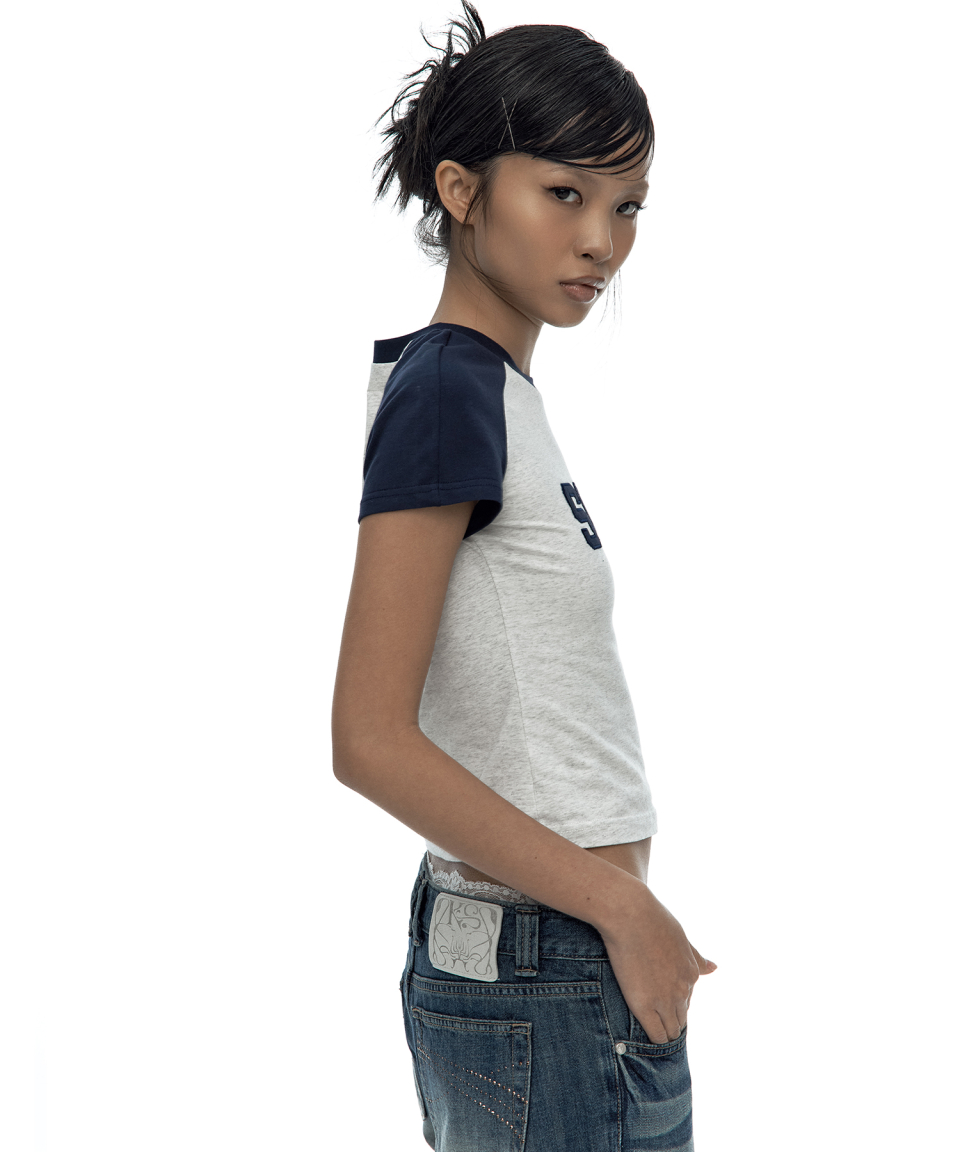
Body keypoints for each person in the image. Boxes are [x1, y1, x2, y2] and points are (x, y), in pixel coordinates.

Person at [332, 5, 717, 1148]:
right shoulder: (451, 391)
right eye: (564, 193)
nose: (601, 240)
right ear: (461, 191)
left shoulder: (489, 393)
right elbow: (367, 738)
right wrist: (621, 909)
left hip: (553, 966)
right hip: (546, 969)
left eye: (627, 205)